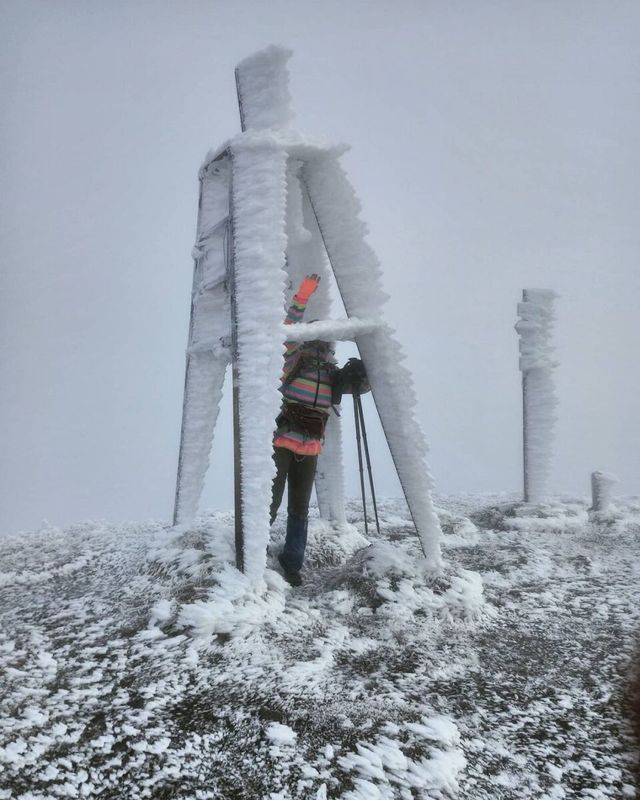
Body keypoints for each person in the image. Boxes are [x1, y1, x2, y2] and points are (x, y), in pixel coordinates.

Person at [270, 273, 369, 586]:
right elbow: (288, 333)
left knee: (298, 508)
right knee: (270, 503)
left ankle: (292, 564)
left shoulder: (331, 373)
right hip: (283, 442)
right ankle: (254, 557)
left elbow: (356, 388)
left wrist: (362, 376)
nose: (327, 345)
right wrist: (301, 298)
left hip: (310, 446)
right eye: (323, 339)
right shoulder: (294, 359)